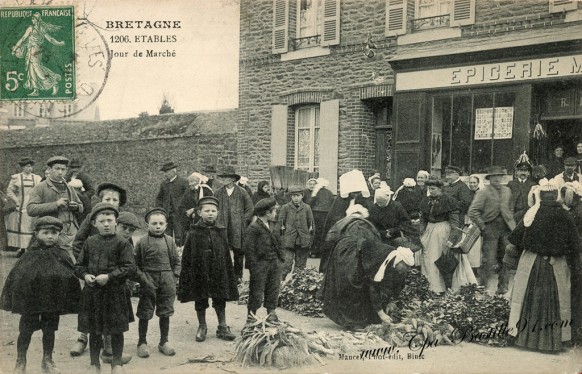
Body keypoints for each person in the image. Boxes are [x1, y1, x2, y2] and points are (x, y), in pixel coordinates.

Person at [506, 182, 582, 351]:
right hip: (556, 265)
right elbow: (575, 244)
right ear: (557, 196)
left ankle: (525, 339)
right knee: (556, 300)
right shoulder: (565, 215)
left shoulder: (531, 214)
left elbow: (515, 239)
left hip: (532, 262)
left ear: (539, 196)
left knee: (529, 298)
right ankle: (553, 341)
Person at [1, 216, 81, 374]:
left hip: (52, 302)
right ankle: (20, 361)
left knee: (49, 330)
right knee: (25, 330)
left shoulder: (62, 254)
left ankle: (47, 360)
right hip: (30, 303)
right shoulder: (29, 255)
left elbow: (69, 276)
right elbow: (18, 279)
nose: (50, 236)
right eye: (45, 232)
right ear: (36, 233)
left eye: (54, 233)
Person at [320, 203, 414, 329]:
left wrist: (391, 302)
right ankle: (352, 321)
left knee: (360, 283)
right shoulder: (385, 259)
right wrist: (381, 313)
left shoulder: (393, 259)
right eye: (405, 267)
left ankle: (365, 317)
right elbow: (373, 286)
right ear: (400, 261)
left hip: (359, 253)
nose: (406, 271)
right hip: (347, 252)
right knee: (352, 283)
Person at [70, 182, 132, 361]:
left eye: (115, 200)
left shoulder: (120, 220)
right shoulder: (92, 218)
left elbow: (127, 249)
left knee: (111, 312)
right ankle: (82, 339)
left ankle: (109, 347)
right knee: (90, 311)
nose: (111, 202)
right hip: (93, 272)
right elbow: (78, 243)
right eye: (107, 199)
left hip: (112, 275)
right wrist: (87, 266)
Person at [178, 196, 239, 342]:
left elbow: (225, 255)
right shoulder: (194, 233)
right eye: (206, 211)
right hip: (200, 272)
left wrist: (228, 272)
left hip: (218, 271)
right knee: (200, 297)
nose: (210, 213)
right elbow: (187, 257)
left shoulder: (221, 231)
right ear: (199, 213)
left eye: (213, 211)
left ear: (217, 213)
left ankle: (222, 326)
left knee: (220, 297)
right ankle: (202, 326)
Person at [134, 208, 181, 358]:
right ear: (147, 225)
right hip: (148, 278)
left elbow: (177, 262)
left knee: (165, 311)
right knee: (145, 312)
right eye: (154, 223)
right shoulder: (142, 242)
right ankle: (142, 342)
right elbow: (136, 264)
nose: (158, 226)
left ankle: (164, 341)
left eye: (161, 223)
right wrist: (142, 279)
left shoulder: (170, 241)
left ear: (166, 225)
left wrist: (174, 277)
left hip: (167, 279)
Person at [419, 177, 476, 294]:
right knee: (429, 259)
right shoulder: (426, 200)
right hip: (429, 232)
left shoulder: (448, 200)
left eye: (433, 189)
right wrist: (421, 232)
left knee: (442, 260)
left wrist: (452, 239)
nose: (431, 191)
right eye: (429, 189)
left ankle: (446, 287)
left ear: (440, 189)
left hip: (443, 232)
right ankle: (432, 287)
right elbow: (423, 219)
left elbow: (455, 223)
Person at [468, 166, 516, 295]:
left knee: (506, 258)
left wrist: (511, 222)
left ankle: (503, 286)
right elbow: (472, 212)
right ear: (489, 178)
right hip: (490, 228)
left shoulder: (507, 191)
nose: (496, 179)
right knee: (489, 260)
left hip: (506, 229)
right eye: (494, 177)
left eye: (499, 176)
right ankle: (483, 286)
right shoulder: (483, 192)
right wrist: (483, 226)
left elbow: (510, 208)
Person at [27, 156, 83, 253]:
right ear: (49, 170)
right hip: (53, 232)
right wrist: (55, 204)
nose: (60, 172)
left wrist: (76, 207)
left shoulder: (69, 187)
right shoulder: (40, 187)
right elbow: (31, 209)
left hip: (72, 232)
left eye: (63, 169)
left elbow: (81, 207)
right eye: (57, 169)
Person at [319, 170, 371, 272]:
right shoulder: (340, 201)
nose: (356, 195)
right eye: (354, 192)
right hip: (342, 234)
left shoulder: (363, 199)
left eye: (358, 192)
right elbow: (334, 220)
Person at [244, 198, 283, 323]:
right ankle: (251, 317)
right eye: (274, 211)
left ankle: (271, 312)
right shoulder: (254, 228)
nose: (275, 214)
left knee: (273, 288)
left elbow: (278, 242)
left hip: (274, 263)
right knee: (257, 292)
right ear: (267, 213)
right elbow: (249, 250)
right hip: (261, 265)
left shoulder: (272, 225)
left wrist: (280, 258)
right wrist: (254, 267)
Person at [214, 166, 254, 283]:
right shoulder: (218, 193)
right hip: (222, 226)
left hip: (238, 228)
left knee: (238, 251)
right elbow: (213, 207)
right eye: (222, 177)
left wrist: (243, 220)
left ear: (232, 179)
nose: (224, 179)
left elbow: (250, 208)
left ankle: (238, 276)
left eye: (226, 177)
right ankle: (224, 275)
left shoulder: (242, 192)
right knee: (223, 251)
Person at [11, 12, 65, 97]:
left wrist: (59, 43)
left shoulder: (34, 28)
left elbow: (50, 39)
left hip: (35, 51)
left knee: (37, 68)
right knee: (31, 69)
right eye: (32, 18)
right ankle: (36, 90)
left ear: (37, 20)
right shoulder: (37, 28)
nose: (32, 20)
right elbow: (24, 39)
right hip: (32, 50)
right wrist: (59, 43)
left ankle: (53, 83)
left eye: (33, 18)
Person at [5, 157, 42, 257]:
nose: (30, 168)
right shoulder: (16, 177)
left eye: (31, 166)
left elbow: (40, 189)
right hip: (21, 203)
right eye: (28, 166)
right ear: (23, 167)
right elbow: (9, 191)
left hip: (33, 202)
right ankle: (22, 249)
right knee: (21, 225)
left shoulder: (37, 178)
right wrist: (16, 200)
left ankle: (31, 248)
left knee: (31, 224)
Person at [278, 185, 314, 280]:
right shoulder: (285, 208)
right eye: (293, 196)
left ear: (302, 196)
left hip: (303, 241)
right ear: (291, 197)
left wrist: (309, 240)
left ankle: (296, 286)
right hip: (288, 241)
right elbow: (280, 225)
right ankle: (280, 285)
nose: (296, 198)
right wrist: (281, 240)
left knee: (300, 267)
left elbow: (311, 225)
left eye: (298, 195)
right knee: (286, 264)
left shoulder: (307, 208)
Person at [155, 161, 189, 246]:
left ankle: (180, 251)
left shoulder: (183, 182)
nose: (165, 174)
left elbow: (188, 196)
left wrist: (184, 209)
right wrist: (160, 209)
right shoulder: (164, 184)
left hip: (179, 214)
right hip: (166, 214)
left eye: (166, 172)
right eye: (164, 172)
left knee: (179, 235)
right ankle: (168, 251)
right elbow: (159, 198)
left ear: (173, 172)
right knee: (166, 235)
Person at [307, 177, 334, 257]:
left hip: (316, 214)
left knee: (316, 233)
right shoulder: (329, 192)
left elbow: (310, 203)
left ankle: (314, 251)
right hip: (326, 214)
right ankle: (322, 251)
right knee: (324, 232)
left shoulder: (316, 192)